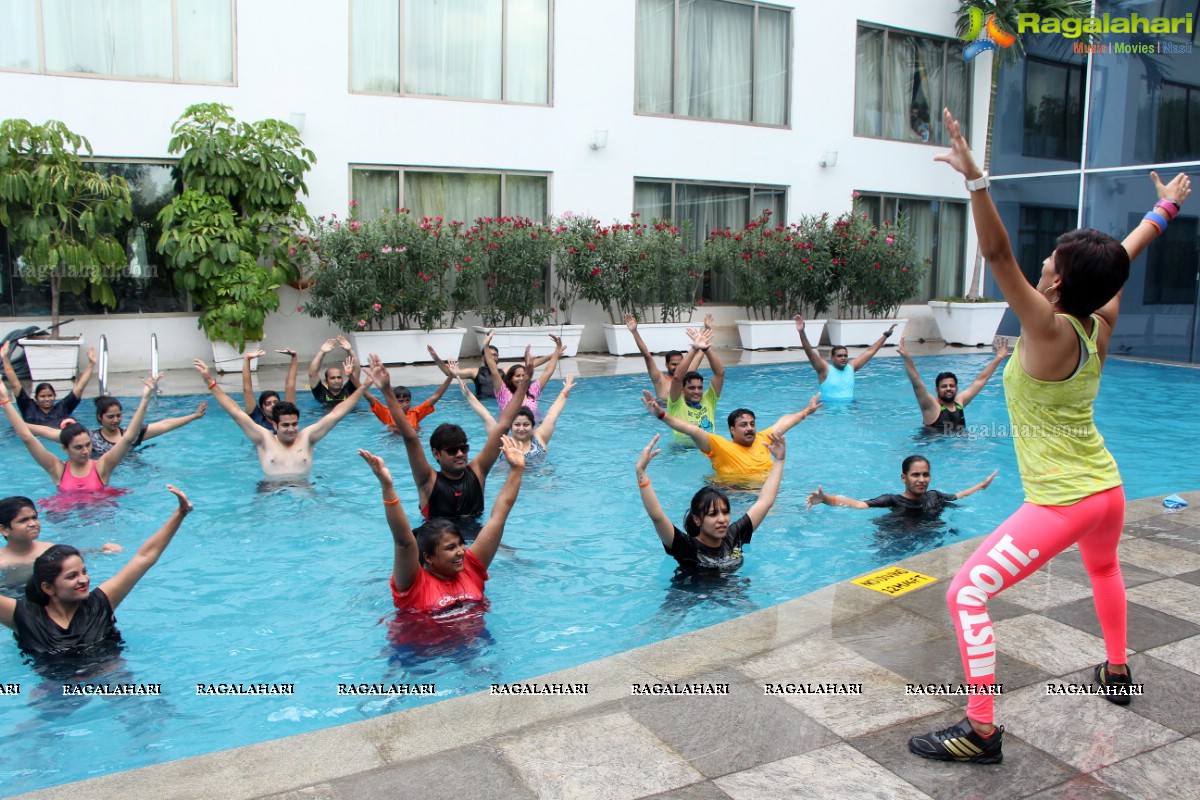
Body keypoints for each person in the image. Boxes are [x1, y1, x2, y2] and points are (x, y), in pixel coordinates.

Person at [904, 107, 1191, 766]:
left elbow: (998, 253)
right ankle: (1116, 672)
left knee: (965, 593)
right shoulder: (1098, 320)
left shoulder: (1047, 329)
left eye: (1053, 258)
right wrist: (1164, 211)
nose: (1042, 258)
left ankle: (981, 732)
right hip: (1107, 487)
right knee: (1104, 569)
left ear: (1058, 281)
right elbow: (1124, 257)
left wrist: (977, 181)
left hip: (1063, 500)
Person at [0, 485, 192, 677]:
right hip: (57, 686)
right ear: (48, 588)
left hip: (108, 672)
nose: (84, 580)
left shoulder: (100, 603)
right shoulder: (25, 617)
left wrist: (180, 514)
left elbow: (144, 557)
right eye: (72, 576)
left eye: (84, 572)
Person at [366, 351, 531, 530]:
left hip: (475, 537)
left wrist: (526, 380)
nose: (460, 454)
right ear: (436, 454)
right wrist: (386, 390)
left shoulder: (478, 471)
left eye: (464, 448)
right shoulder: (426, 480)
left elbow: (504, 424)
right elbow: (410, 437)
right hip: (437, 544)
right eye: (452, 451)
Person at [359, 436, 525, 613]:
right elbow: (403, 542)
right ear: (428, 557)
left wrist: (517, 469)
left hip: (477, 641)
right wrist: (387, 487)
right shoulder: (413, 584)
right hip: (416, 641)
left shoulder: (471, 567)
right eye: (450, 547)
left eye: (460, 543)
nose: (461, 551)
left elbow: (498, 518)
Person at [636, 431, 787, 573]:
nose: (722, 519)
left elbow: (765, 501)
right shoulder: (686, 546)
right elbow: (657, 516)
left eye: (725, 512)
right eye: (713, 514)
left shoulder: (734, 536)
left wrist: (779, 461)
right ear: (697, 519)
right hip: (689, 597)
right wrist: (641, 472)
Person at [193, 359, 369, 477]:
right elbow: (235, 412)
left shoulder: (307, 437)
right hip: (270, 490)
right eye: (286, 425)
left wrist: (363, 387)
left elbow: (337, 413)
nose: (292, 429)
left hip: (303, 489)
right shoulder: (264, 439)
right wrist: (210, 382)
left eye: (294, 424)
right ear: (275, 426)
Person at [0, 373, 160, 492]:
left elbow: (128, 438)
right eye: (78, 447)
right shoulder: (57, 469)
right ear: (64, 448)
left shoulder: (102, 466)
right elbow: (27, 437)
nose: (86, 451)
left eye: (88, 445)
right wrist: (5, 400)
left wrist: (145, 399)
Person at [643, 391, 820, 479]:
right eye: (743, 425)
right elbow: (691, 429)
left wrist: (806, 411)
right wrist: (661, 414)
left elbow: (785, 422)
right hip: (732, 493)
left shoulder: (764, 439)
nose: (750, 428)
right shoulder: (721, 447)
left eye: (752, 424)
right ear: (732, 430)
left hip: (761, 492)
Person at [0, 496, 121, 595]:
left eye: (34, 518)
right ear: (4, 530)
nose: (32, 524)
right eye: (23, 520)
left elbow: (75, 556)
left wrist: (101, 550)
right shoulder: (2, 562)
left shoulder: (47, 549)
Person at [454, 365, 574, 463]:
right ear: (510, 426)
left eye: (526, 425)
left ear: (533, 426)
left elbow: (552, 415)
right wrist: (468, 395)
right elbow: (486, 416)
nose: (521, 428)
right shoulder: (502, 441)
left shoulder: (539, 438)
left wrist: (565, 391)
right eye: (517, 424)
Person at [805, 455, 997, 514]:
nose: (921, 480)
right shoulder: (893, 500)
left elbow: (959, 495)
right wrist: (825, 499)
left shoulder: (935, 496)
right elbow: (858, 504)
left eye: (925, 475)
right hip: (898, 536)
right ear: (904, 478)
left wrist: (981, 485)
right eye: (915, 475)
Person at [26, 396, 209, 457]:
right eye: (110, 417)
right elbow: (50, 433)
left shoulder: (131, 434)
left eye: (118, 416)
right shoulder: (88, 438)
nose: (115, 420)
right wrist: (22, 425)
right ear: (100, 417)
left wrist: (193, 416)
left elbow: (164, 425)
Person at [897, 337, 1009, 432]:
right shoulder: (931, 406)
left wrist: (999, 358)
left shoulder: (959, 402)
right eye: (944, 386)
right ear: (937, 390)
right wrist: (907, 359)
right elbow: (916, 382)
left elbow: (981, 380)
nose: (948, 389)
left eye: (951, 386)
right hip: (932, 447)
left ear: (956, 388)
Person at [795, 315, 895, 401]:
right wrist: (802, 332)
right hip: (829, 411)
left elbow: (870, 352)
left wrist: (885, 336)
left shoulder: (851, 367)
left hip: (850, 409)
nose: (843, 358)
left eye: (845, 356)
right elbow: (810, 352)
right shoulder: (825, 369)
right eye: (839, 356)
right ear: (832, 358)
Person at [427, 335, 556, 401]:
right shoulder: (474, 372)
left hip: (500, 403)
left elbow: (531, 365)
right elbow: (448, 372)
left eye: (496, 355)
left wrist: (553, 355)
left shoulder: (504, 371)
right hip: (483, 403)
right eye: (490, 355)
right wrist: (437, 358)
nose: (493, 358)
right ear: (483, 358)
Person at [1, 341, 97, 426]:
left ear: (55, 396)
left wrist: (91, 364)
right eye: (42, 396)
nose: (47, 399)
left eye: (50, 395)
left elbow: (79, 388)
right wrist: (5, 358)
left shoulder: (62, 408)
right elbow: (15, 384)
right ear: (36, 398)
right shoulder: (28, 407)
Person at [665, 327, 725, 444]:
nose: (697, 391)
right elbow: (677, 378)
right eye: (691, 388)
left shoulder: (708, 401)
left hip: (710, 449)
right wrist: (694, 349)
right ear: (682, 389)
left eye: (700, 387)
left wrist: (707, 349)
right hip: (684, 452)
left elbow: (720, 374)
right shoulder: (676, 405)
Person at [483, 334, 565, 419]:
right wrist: (486, 346)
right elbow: (494, 371)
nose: (521, 378)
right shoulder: (503, 393)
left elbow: (548, 372)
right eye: (517, 376)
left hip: (534, 428)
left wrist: (558, 348)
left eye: (523, 375)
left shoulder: (532, 391)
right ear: (510, 378)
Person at [624, 312, 687, 404]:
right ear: (667, 365)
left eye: (680, 364)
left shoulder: (688, 380)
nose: (677, 367)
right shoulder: (660, 379)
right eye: (674, 364)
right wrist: (634, 332)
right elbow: (647, 356)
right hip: (663, 411)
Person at [363, 374, 454, 433]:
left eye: (407, 401)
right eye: (401, 402)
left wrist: (450, 376)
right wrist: (352, 376)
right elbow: (369, 397)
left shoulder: (415, 413)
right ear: (393, 402)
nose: (405, 404)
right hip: (392, 444)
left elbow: (436, 396)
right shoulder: (386, 414)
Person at [242, 347, 299, 432]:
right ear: (262, 409)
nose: (273, 405)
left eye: (276, 402)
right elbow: (247, 389)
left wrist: (294, 357)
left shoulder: (287, 417)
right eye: (268, 404)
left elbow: (290, 385)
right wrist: (247, 359)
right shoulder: (257, 419)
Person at [307, 336, 359, 405]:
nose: (336, 380)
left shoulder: (349, 390)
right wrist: (322, 352)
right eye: (332, 378)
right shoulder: (320, 393)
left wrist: (350, 350)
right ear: (326, 381)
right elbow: (312, 374)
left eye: (339, 377)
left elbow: (357, 371)